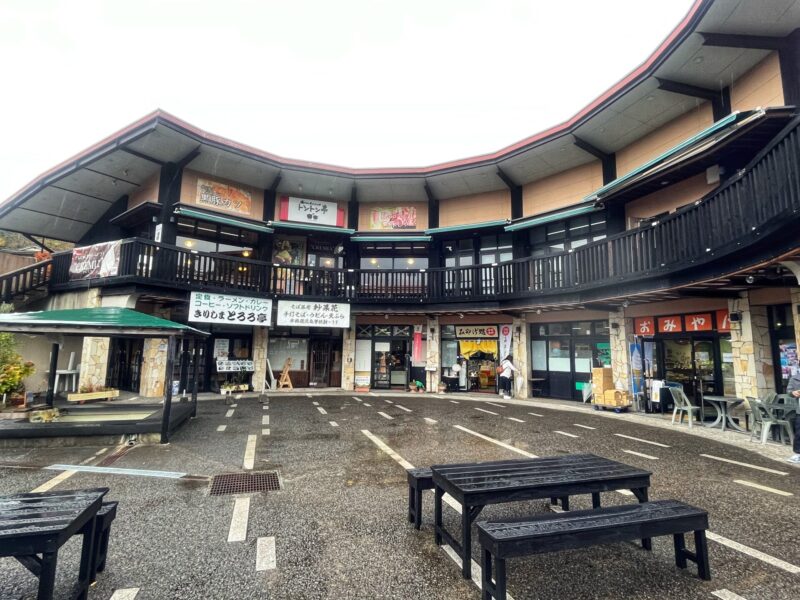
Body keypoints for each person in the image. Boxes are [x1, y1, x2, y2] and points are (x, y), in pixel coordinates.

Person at [786, 372, 800, 463]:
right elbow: (789, 392)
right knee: (799, 433)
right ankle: (798, 454)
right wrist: (793, 393)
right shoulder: (794, 378)